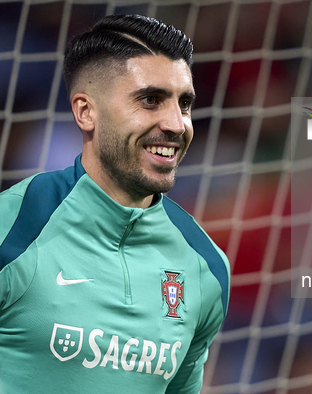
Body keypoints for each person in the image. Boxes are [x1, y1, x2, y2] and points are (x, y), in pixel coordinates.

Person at [0, 14, 230, 393]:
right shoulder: (13, 226)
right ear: (85, 112)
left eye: (184, 104)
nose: (176, 124)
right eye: (150, 100)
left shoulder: (206, 265)